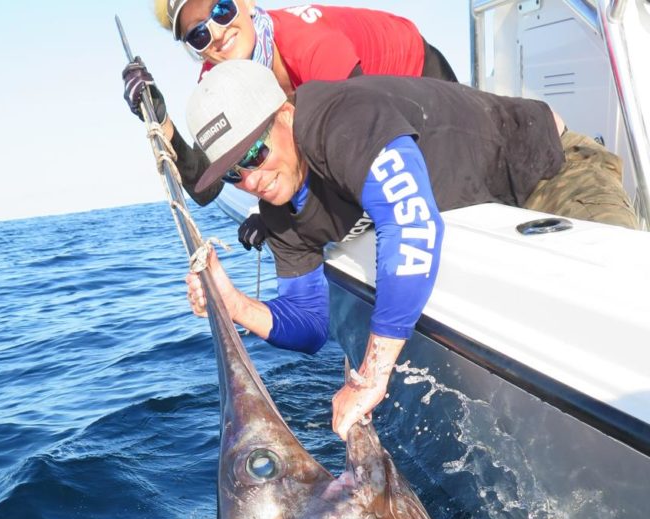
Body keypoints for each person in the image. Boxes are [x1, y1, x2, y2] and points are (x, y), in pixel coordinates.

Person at [181, 61, 638, 440]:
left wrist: (372, 376)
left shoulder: (340, 119)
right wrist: (234, 304)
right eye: (232, 173)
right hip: (486, 215)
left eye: (255, 153)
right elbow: (311, 324)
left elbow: (411, 223)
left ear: (285, 113)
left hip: (549, 168)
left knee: (626, 307)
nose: (251, 179)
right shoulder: (279, 209)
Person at [122, 1, 458, 248]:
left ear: (247, 4)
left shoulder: (310, 46)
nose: (217, 33)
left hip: (417, 72)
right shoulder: (218, 80)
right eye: (198, 35)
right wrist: (160, 118)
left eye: (221, 9)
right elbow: (204, 188)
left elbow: (361, 148)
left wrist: (277, 217)